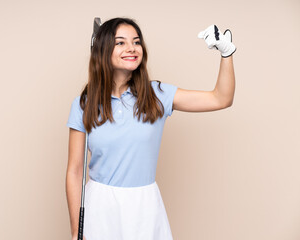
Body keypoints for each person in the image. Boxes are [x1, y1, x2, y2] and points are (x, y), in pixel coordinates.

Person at [66, 17, 236, 240]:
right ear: (102, 49)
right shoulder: (84, 104)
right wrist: (76, 231)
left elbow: (220, 99)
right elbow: (75, 171)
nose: (132, 48)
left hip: (144, 206)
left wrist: (226, 53)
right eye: (120, 43)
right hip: (99, 205)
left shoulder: (158, 94)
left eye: (136, 42)